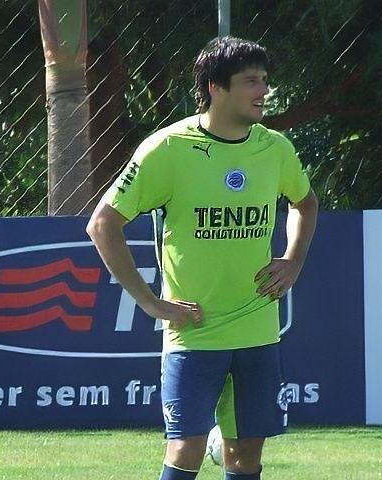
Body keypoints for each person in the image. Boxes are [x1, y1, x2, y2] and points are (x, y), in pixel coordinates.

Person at [87, 37, 318, 480]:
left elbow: (304, 204)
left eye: (265, 81)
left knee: (245, 457)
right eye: (251, 81)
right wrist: (151, 303)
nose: (263, 91)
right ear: (215, 87)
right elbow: (103, 225)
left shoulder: (275, 149)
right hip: (193, 333)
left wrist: (293, 258)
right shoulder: (168, 149)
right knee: (186, 449)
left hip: (257, 331)